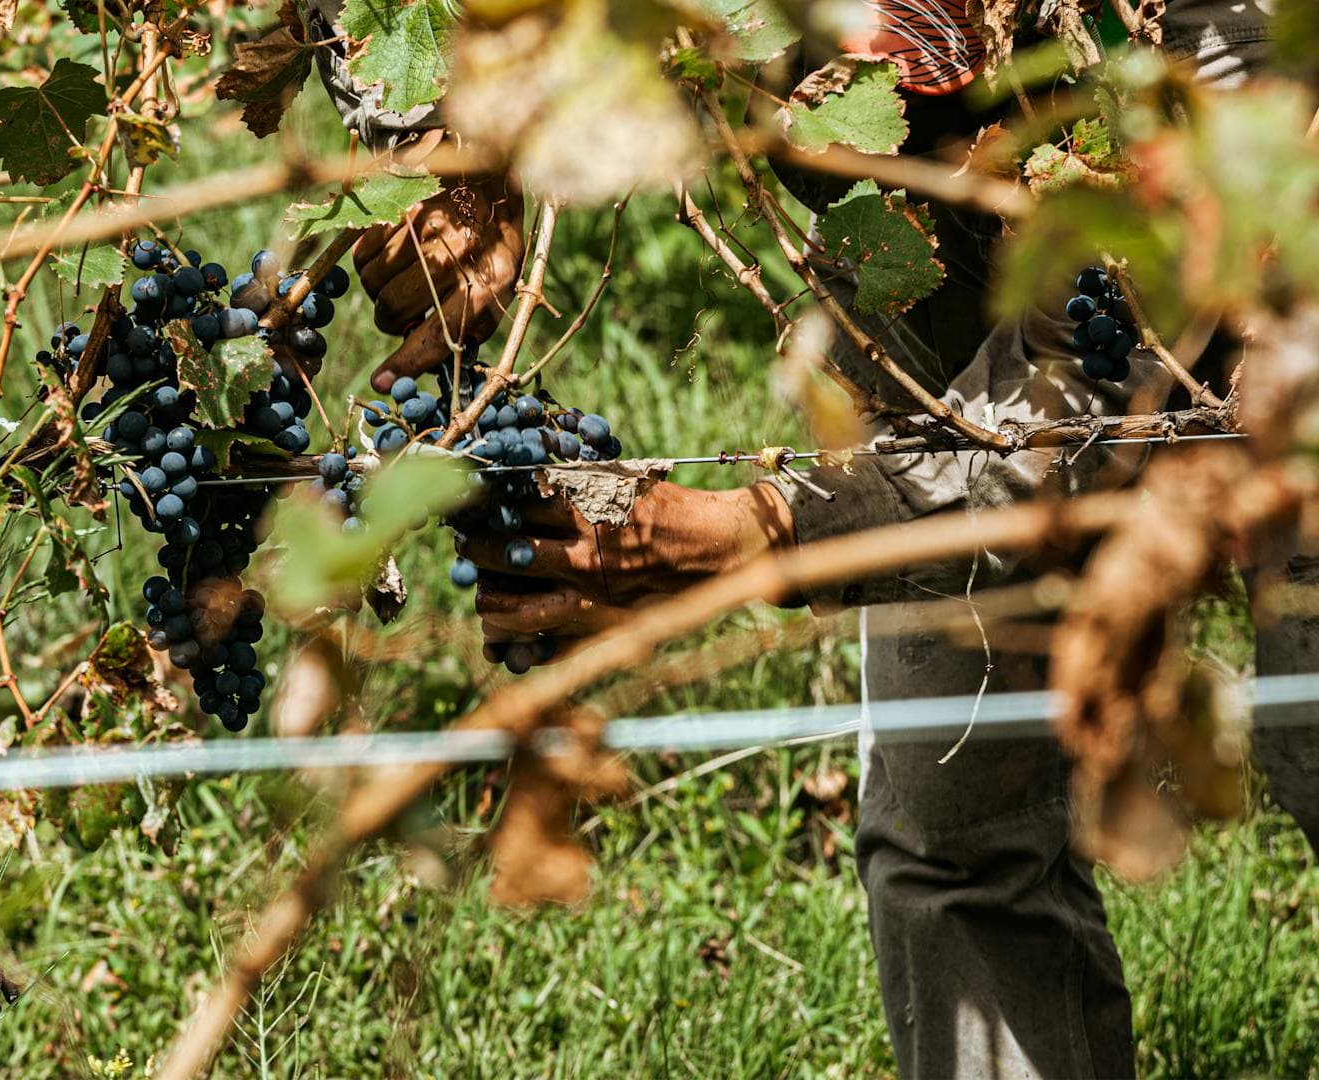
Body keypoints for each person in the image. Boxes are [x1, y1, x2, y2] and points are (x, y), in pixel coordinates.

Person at [309, 0, 1311, 1075]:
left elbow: (1092, 387)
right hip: (944, 267)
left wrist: (774, 531)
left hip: (1244, 249)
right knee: (950, 822)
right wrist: (442, 143)